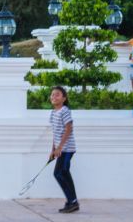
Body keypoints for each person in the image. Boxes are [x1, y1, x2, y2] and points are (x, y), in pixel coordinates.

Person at [49, 86, 79, 214]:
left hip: (67, 148)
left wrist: (60, 147)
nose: (54, 97)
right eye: (52, 95)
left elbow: (69, 128)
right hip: (60, 149)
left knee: (61, 172)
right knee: (61, 173)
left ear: (64, 98)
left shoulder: (65, 110)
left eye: (57, 95)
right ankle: (71, 201)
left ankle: (72, 201)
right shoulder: (53, 113)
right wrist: (53, 150)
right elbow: (55, 133)